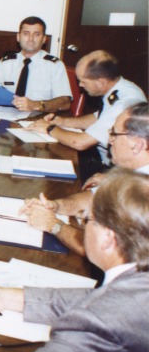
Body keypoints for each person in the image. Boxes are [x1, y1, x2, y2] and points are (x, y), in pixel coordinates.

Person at [0, 168, 149, 352]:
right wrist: (8, 297)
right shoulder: (136, 284)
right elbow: (101, 300)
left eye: (86, 219)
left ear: (108, 238)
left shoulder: (101, 325)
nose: (82, 225)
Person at [20, 102, 149, 256]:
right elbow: (95, 196)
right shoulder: (132, 169)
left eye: (114, 134)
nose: (110, 140)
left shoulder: (143, 190)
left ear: (137, 145)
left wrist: (53, 225)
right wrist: (55, 206)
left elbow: (105, 249)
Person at [26, 50, 146, 171]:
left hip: (111, 168)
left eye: (83, 81)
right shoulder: (121, 87)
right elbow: (98, 117)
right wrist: (62, 122)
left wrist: (49, 128)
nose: (80, 86)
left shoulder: (124, 103)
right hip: (102, 158)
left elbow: (80, 142)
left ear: (101, 82)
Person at [0, 16, 71, 113]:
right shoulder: (6, 62)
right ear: (18, 37)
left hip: (39, 117)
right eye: (26, 33)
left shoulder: (54, 65)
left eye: (36, 34)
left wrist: (35, 105)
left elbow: (65, 102)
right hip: (7, 114)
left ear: (44, 39)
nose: (31, 39)